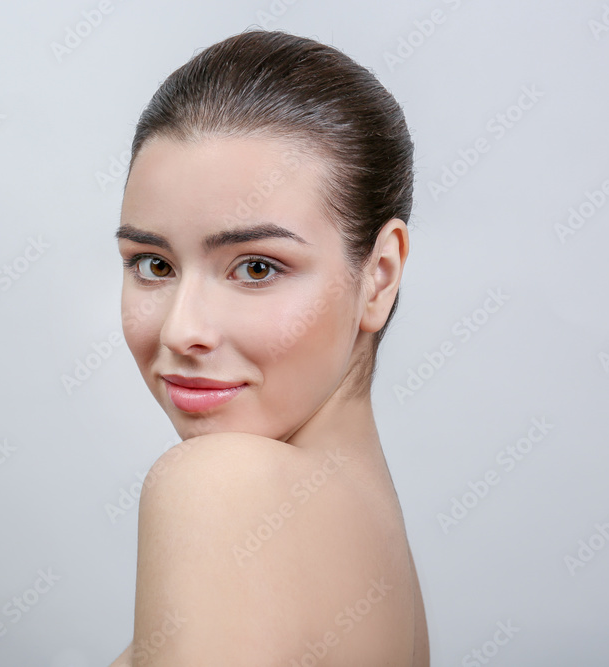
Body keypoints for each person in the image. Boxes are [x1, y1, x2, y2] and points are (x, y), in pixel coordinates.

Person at [108, 28, 428, 666]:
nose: (179, 330)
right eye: (152, 264)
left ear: (380, 275)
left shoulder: (223, 487)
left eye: (256, 268)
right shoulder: (373, 556)